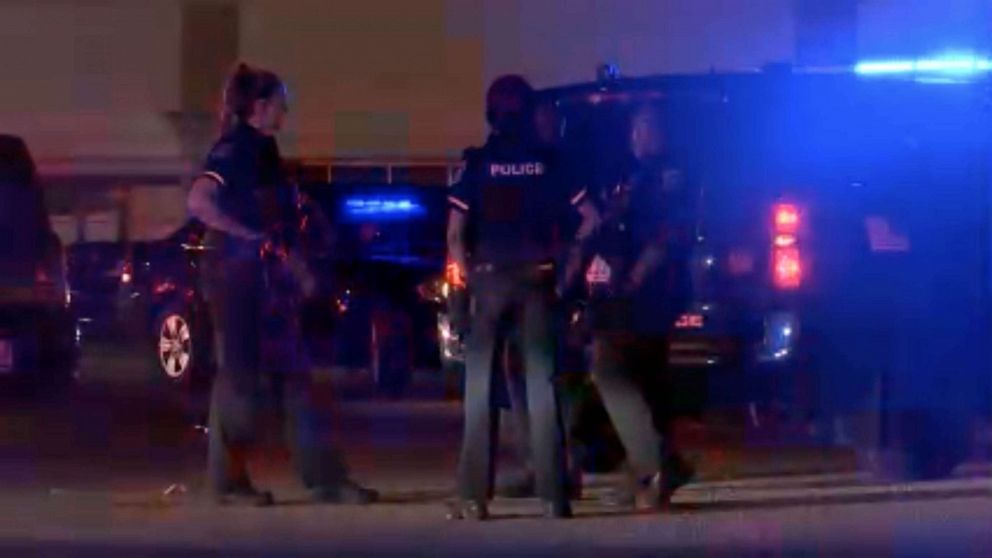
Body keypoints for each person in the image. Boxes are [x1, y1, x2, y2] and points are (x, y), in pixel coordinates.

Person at [187, 63, 376, 506]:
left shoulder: (262, 150)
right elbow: (200, 201)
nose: (286, 110)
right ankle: (228, 483)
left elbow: (276, 220)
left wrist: (294, 261)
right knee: (240, 384)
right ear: (259, 107)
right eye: (280, 102)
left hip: (262, 281)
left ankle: (323, 479)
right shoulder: (236, 148)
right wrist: (249, 238)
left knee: (293, 378)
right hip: (237, 282)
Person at [446, 76, 587, 520]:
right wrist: (568, 267)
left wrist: (468, 275)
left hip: (490, 280)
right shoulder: (550, 163)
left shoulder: (477, 164)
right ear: (529, 114)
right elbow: (590, 218)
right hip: (538, 280)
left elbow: (454, 234)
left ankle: (473, 498)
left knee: (479, 388)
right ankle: (554, 496)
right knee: (543, 386)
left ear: (491, 114)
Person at [581, 104, 696, 512]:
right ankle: (653, 473)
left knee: (609, 366)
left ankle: (655, 466)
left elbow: (664, 239)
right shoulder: (634, 176)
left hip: (647, 294)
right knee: (647, 380)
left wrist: (632, 280)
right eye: (635, 130)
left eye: (645, 129)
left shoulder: (667, 180)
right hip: (633, 292)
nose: (637, 138)